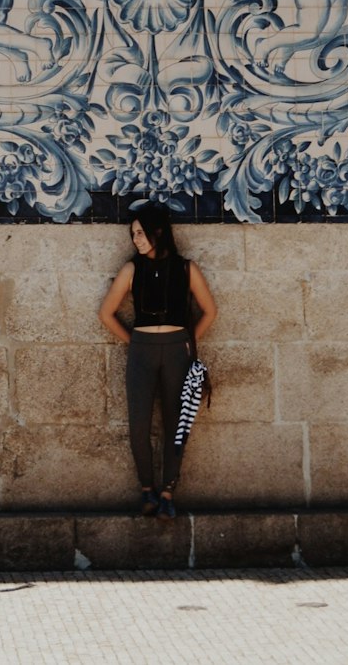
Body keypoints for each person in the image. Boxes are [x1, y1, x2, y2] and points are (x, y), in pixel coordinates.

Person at [98, 205, 217, 522]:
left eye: (140, 232)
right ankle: (147, 489)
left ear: (158, 231)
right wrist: (135, 342)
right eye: (133, 234)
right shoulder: (130, 270)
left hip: (177, 350)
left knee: (175, 424)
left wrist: (186, 342)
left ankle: (167, 492)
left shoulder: (186, 269)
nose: (136, 239)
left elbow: (210, 311)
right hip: (142, 351)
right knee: (138, 424)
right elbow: (106, 313)